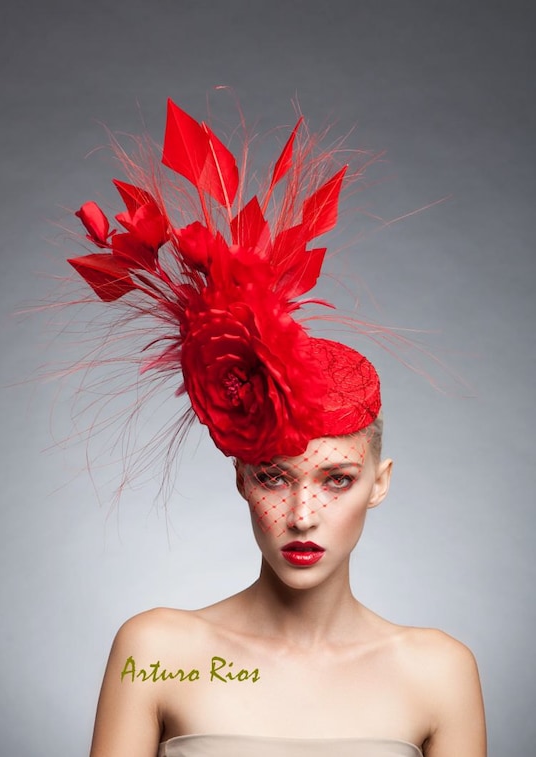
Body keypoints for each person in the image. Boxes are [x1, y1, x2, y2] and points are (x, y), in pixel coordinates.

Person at [67, 99, 486, 756]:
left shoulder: (438, 672)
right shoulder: (156, 651)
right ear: (240, 477)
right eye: (274, 476)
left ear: (380, 482)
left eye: (337, 478)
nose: (301, 513)